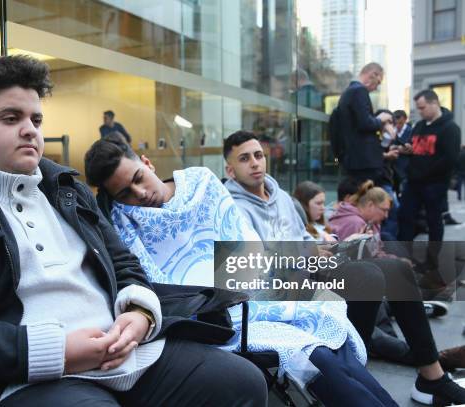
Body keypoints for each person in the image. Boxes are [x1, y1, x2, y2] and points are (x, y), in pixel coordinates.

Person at [0, 56, 268, 407]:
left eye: (36, 120)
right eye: (11, 119)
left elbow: (124, 263)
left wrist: (139, 313)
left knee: (242, 383)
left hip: (128, 349)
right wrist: (55, 352)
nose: (30, 130)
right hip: (27, 375)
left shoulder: (66, 187)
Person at [85, 134, 397, 407]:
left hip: (257, 289)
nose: (139, 194)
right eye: (124, 193)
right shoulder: (126, 225)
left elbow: (244, 242)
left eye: (138, 177)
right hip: (216, 318)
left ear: (148, 162)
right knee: (317, 355)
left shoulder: (202, 183)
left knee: (335, 341)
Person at [329, 181, 465, 405]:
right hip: (326, 284)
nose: (385, 215)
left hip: (352, 280)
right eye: (247, 158)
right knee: (380, 323)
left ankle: (432, 374)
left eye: (258, 155)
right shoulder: (353, 222)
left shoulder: (365, 222)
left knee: (398, 271)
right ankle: (438, 356)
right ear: (370, 204)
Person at [397, 89, 461, 287]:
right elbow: (413, 146)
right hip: (414, 183)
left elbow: (449, 159)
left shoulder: (450, 128)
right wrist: (407, 149)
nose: (420, 112)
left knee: (434, 222)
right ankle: (403, 259)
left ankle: (431, 263)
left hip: (434, 184)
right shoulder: (418, 126)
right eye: (418, 108)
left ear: (434, 104)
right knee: (405, 216)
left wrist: (425, 173)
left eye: (423, 108)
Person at [335, 62, 393, 184]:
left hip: (356, 160)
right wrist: (381, 119)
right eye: (378, 82)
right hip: (364, 162)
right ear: (372, 75)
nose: (377, 87)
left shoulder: (349, 92)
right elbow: (365, 123)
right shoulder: (359, 90)